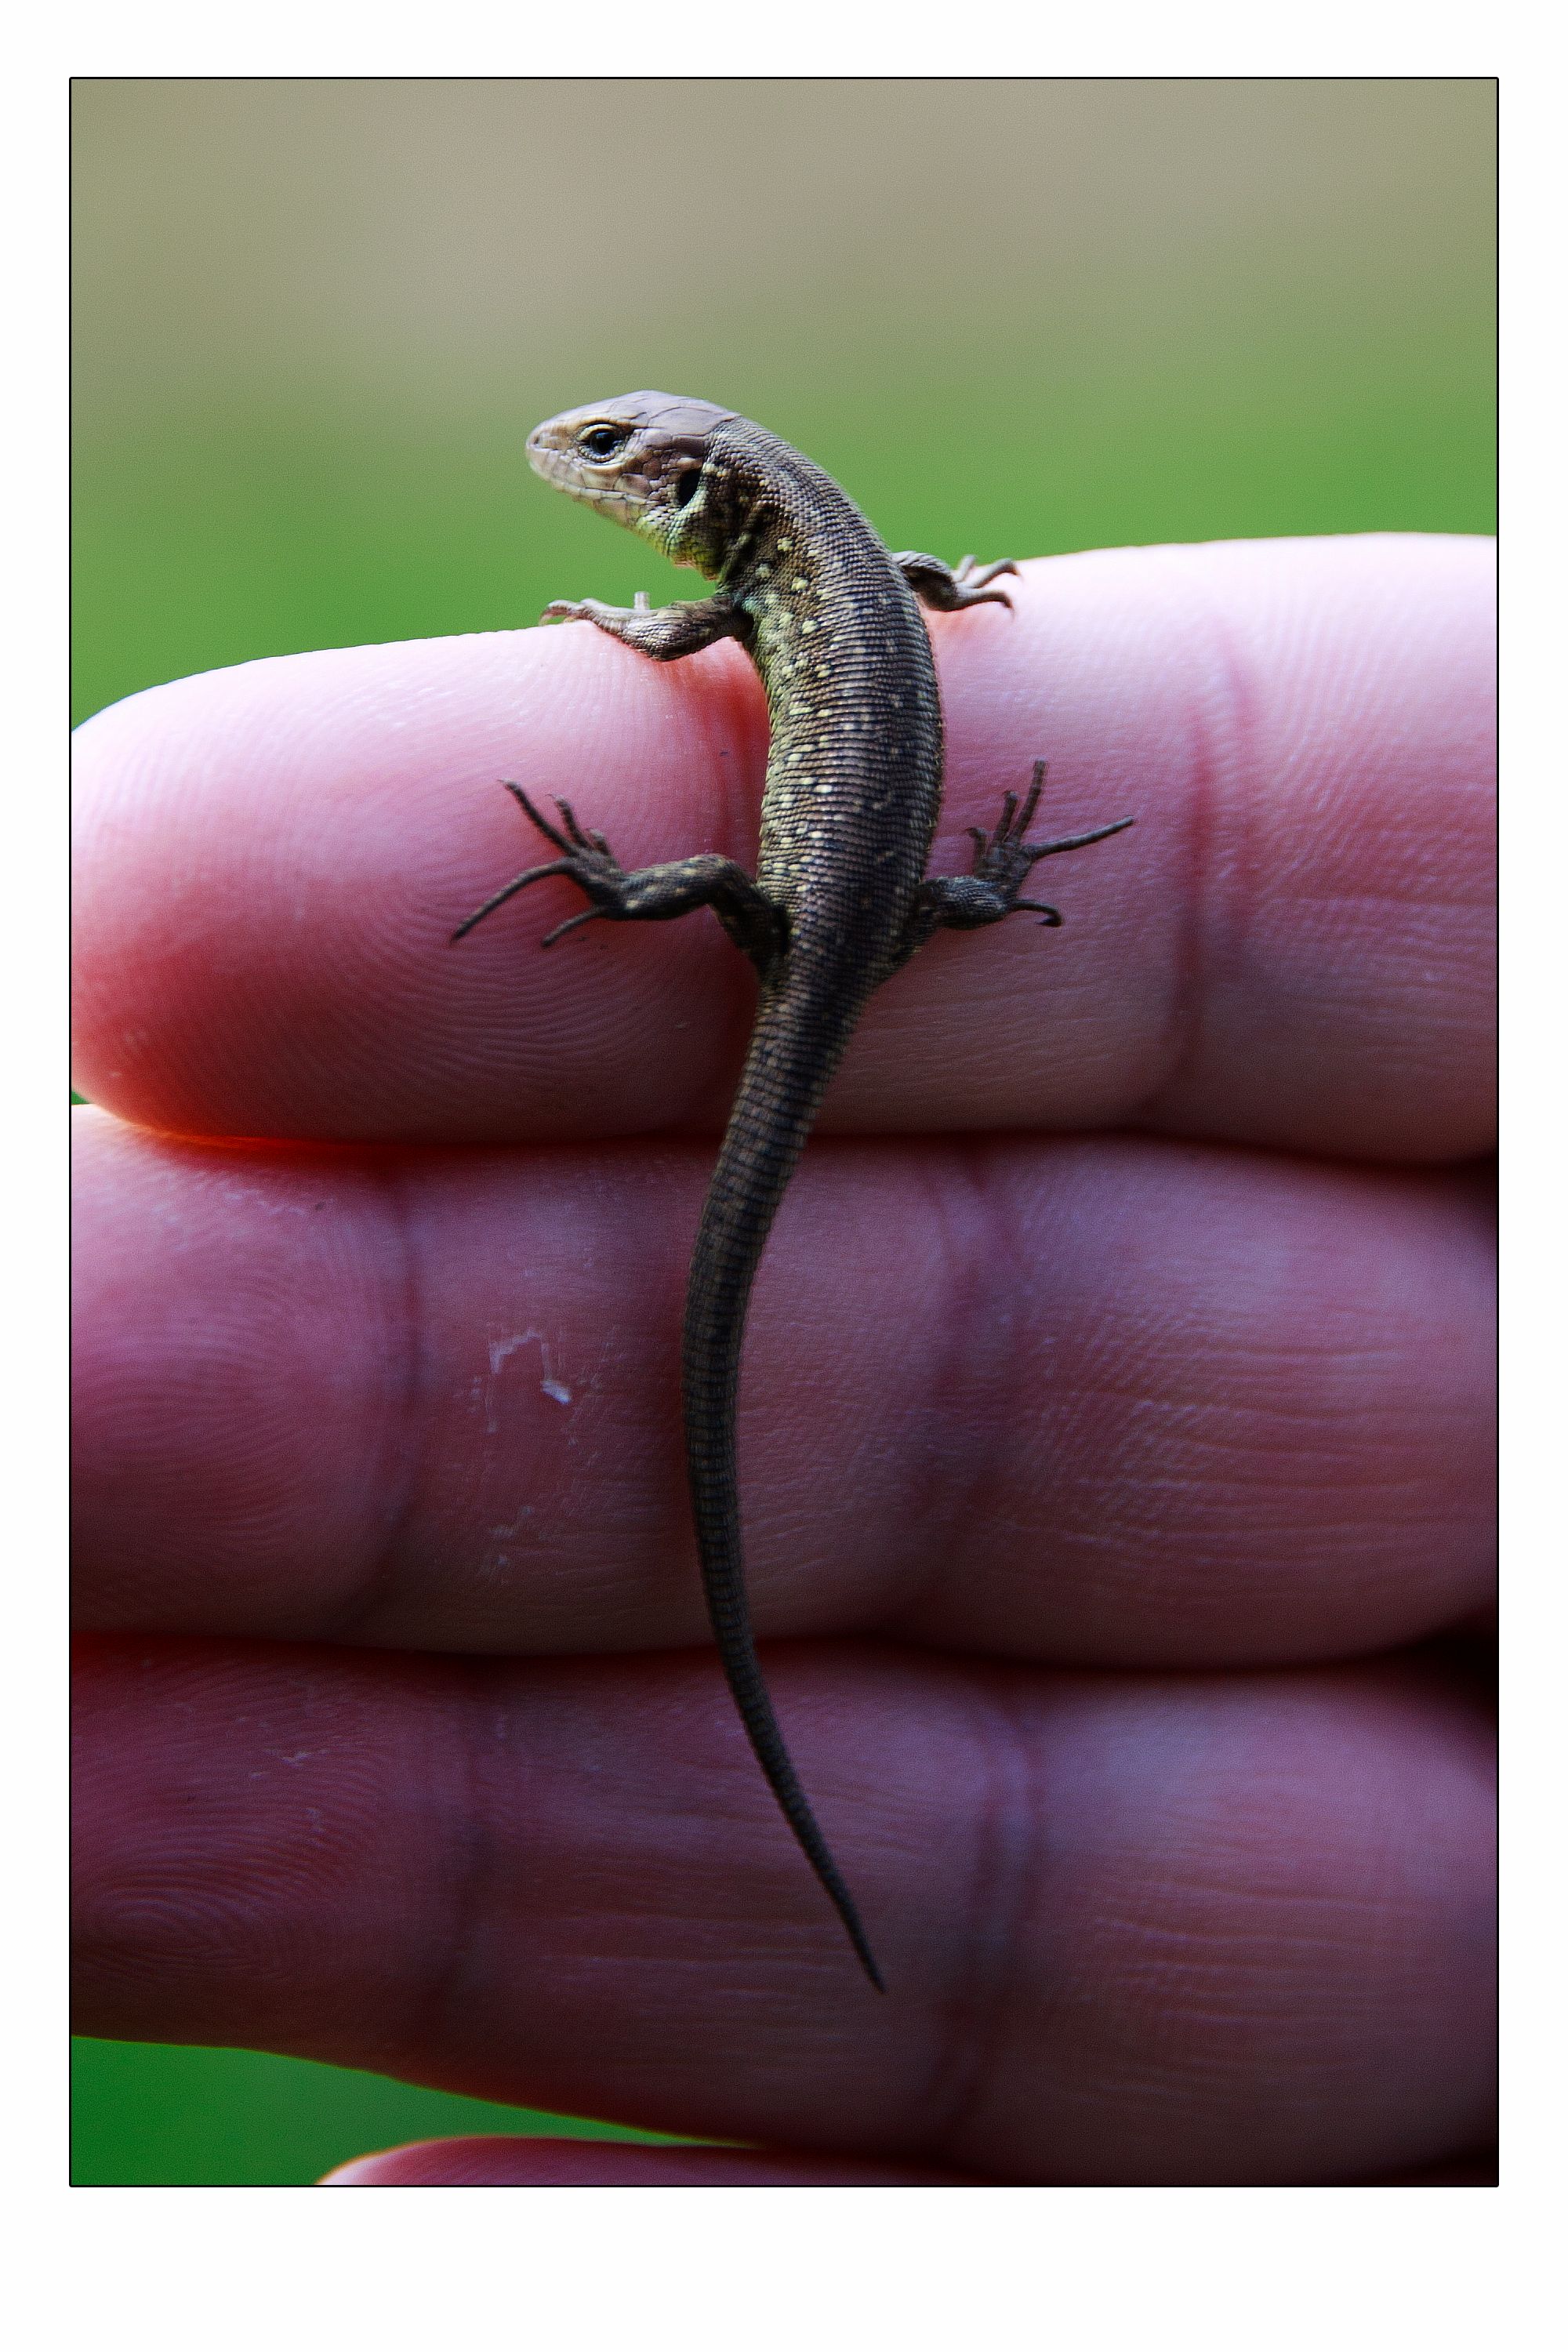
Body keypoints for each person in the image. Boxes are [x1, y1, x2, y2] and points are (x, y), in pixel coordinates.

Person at [71, 533, 1495, 2186]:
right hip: (880, 917)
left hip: (811, 918)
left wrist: (622, 747)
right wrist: (967, 708)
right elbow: (926, 589)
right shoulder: (862, 575)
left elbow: (690, 639)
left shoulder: (758, 584)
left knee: (745, 939)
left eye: (611, 459)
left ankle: (618, 891)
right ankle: (825, 885)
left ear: (691, 494)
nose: (582, 471)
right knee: (797, 965)